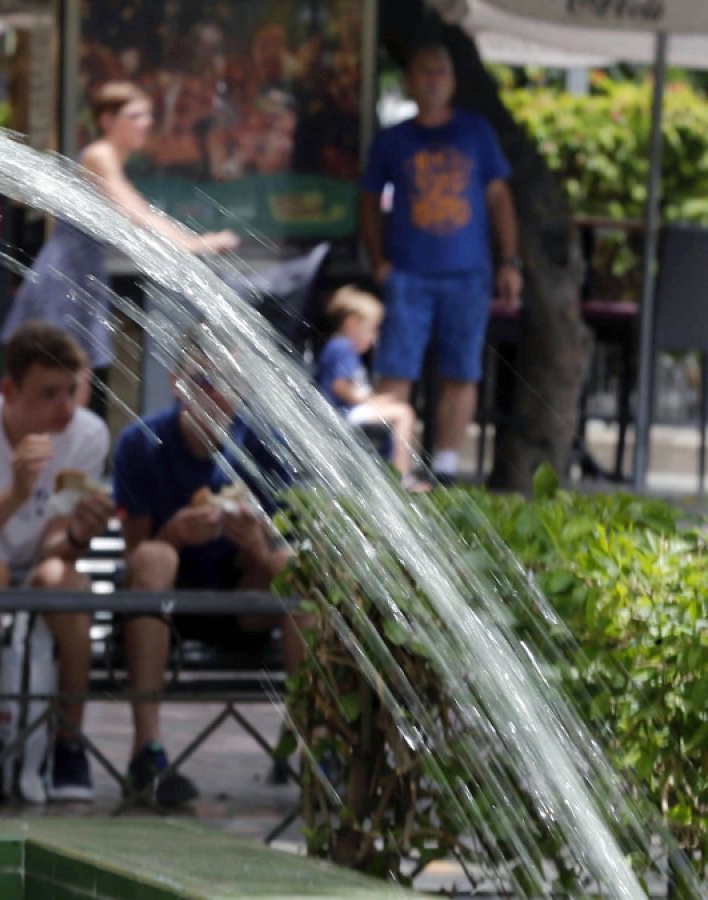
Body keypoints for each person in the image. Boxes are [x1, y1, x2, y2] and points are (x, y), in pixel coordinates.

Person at [0, 322, 113, 802]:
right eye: (50, 394)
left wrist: (77, 533)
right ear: (9, 391)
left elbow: (56, 547)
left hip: (37, 577)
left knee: (64, 581)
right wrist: (14, 494)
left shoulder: (87, 435)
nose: (66, 408)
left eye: (72, 391)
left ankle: (68, 744)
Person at [112, 361, 298, 810]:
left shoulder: (263, 448)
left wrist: (257, 548)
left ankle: (320, 744)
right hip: (163, 617)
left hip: (243, 607)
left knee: (292, 565)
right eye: (204, 382)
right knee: (156, 557)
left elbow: (287, 569)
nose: (216, 395)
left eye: (229, 383)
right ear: (177, 382)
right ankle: (147, 751)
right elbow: (135, 557)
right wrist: (172, 536)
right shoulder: (142, 443)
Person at [0, 82, 239, 415]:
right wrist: (197, 244)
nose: (146, 123)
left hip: (79, 278)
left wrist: (191, 246)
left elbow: (140, 213)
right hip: (64, 282)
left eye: (149, 116)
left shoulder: (108, 158)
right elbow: (134, 214)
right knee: (65, 391)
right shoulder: (100, 155)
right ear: (108, 120)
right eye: (136, 115)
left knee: (71, 392)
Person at [358, 43, 522, 485]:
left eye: (441, 70)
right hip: (407, 275)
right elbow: (369, 202)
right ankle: (393, 468)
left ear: (452, 81)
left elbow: (499, 198)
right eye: (424, 70)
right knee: (396, 369)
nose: (432, 78)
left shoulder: (476, 132)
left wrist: (510, 261)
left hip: (469, 275)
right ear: (410, 81)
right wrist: (379, 262)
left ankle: (446, 467)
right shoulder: (393, 140)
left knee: (462, 370)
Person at [317, 286, 424, 487]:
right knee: (403, 414)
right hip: (342, 413)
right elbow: (339, 386)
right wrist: (370, 400)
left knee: (397, 413)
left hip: (348, 411)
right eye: (371, 329)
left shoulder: (341, 348)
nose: (374, 338)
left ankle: (390, 467)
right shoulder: (342, 348)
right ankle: (401, 475)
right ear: (351, 325)